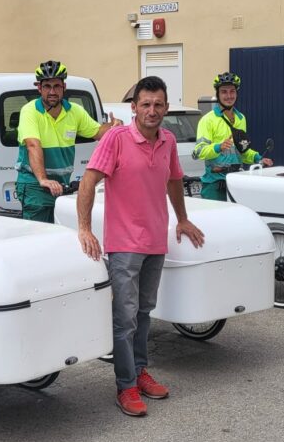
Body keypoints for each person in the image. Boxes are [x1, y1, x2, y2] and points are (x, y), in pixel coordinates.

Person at [76, 75, 206, 417]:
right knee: (125, 318)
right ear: (133, 108)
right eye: (145, 104)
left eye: (158, 104)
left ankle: (139, 369)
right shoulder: (116, 139)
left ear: (166, 107)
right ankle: (125, 385)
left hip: (155, 242)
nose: (152, 110)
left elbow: (175, 180)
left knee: (144, 313)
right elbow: (88, 181)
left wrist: (182, 218)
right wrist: (85, 228)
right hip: (124, 246)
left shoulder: (167, 140)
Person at [16, 60, 120, 222]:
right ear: (39, 88)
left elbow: (98, 132)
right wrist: (43, 179)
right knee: (39, 234)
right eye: (47, 86)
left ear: (64, 87)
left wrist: (114, 127)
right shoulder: (30, 111)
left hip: (62, 185)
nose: (52, 91)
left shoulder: (74, 111)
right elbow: (33, 145)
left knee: (62, 232)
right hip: (34, 184)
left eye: (57, 86)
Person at [191, 72, 273, 200]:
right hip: (214, 185)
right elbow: (199, 151)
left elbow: (242, 151)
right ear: (217, 94)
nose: (229, 96)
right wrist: (218, 147)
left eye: (232, 91)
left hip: (236, 183)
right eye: (224, 92)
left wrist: (258, 158)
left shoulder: (241, 119)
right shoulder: (208, 120)